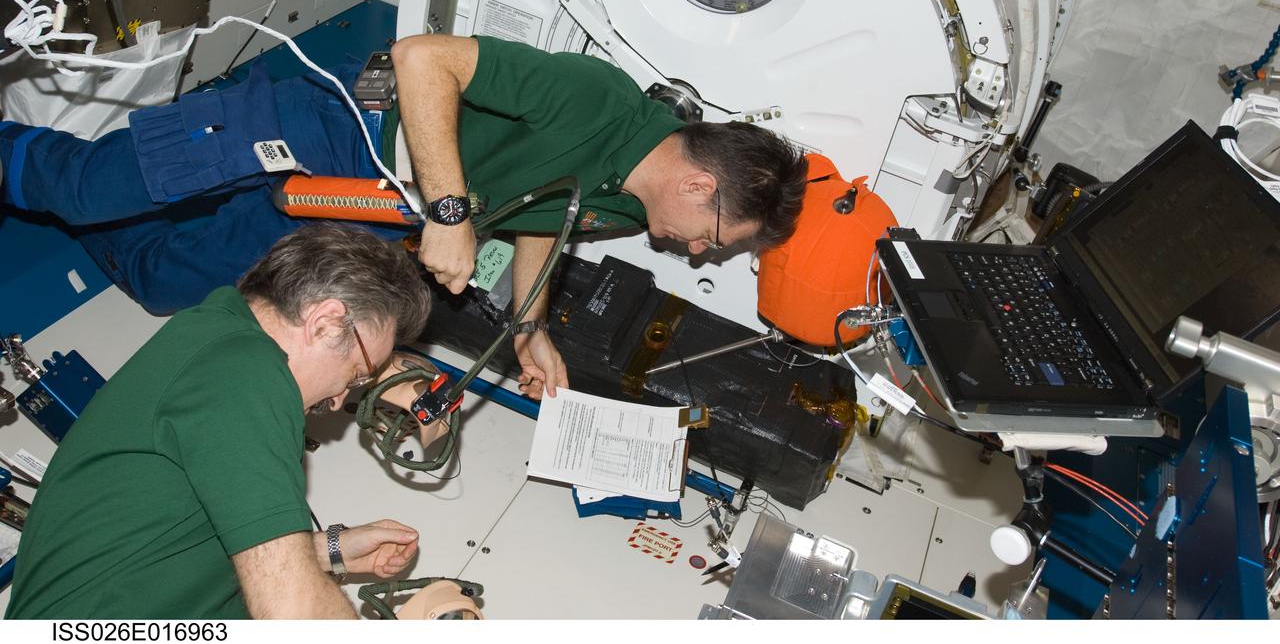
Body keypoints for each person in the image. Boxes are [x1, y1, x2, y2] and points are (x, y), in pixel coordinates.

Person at [0, 34, 808, 398]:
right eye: (714, 238)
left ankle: (90, 212)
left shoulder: (629, 209)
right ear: (699, 186)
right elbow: (423, 60)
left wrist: (529, 328)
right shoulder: (595, 98)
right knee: (81, 188)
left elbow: (540, 220)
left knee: (166, 283)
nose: (697, 252)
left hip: (370, 209)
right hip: (339, 125)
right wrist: (450, 213)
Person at [4, 223, 432, 619]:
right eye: (356, 374)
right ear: (325, 323)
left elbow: (196, 553)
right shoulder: (246, 367)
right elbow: (294, 612)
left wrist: (330, 551)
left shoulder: (213, 351)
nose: (339, 400)